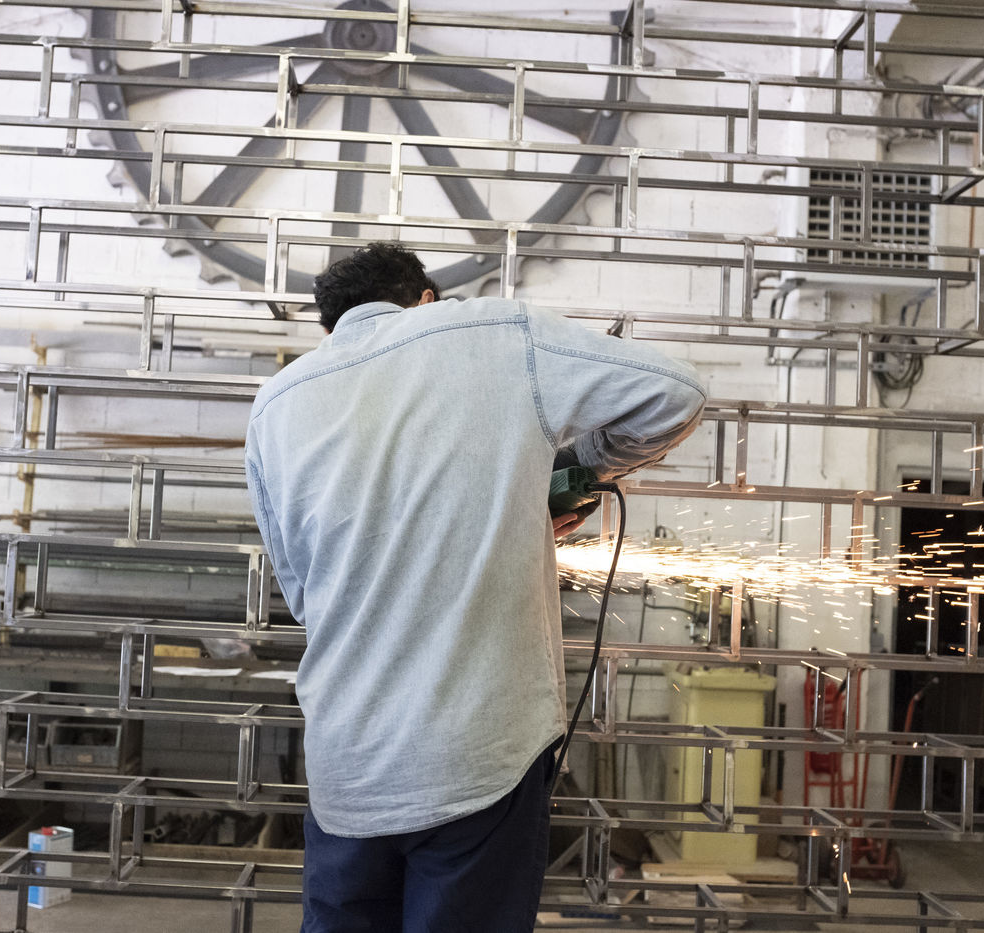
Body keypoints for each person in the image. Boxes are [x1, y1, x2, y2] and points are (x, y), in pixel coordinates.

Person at [244, 242, 706, 932]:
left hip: (349, 764)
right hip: (476, 757)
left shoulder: (277, 402)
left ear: (333, 323)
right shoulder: (491, 329)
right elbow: (677, 393)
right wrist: (576, 466)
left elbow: (304, 593)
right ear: (426, 300)